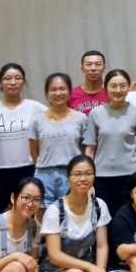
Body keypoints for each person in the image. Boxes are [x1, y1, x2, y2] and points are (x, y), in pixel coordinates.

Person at [38, 155, 111, 272]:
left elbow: (102, 245)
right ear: (68, 178)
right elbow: (54, 255)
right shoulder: (55, 210)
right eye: (77, 174)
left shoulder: (99, 206)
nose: (83, 178)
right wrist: (89, 267)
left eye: (88, 173)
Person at [0, 63, 47, 215]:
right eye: (7, 78)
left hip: (28, 169)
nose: (13, 82)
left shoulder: (36, 108)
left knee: (29, 214)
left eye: (18, 78)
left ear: (23, 82)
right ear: (0, 83)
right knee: (2, 216)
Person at [83, 69, 136, 216]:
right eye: (113, 86)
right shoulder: (95, 113)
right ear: (105, 88)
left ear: (129, 87)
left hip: (130, 175)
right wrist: (88, 177)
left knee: (127, 217)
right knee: (102, 217)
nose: (118, 90)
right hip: (101, 176)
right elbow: (89, 149)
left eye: (122, 86)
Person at [29, 73, 87, 206]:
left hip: (72, 173)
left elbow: (85, 149)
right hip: (44, 175)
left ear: (69, 92)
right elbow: (33, 151)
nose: (58, 93)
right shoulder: (37, 120)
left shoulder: (81, 118)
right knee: (43, 212)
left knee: (72, 211)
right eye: (53, 89)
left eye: (62, 89)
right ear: (46, 94)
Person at [68, 50, 108, 115]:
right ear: (82, 69)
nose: (93, 68)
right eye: (89, 64)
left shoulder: (112, 93)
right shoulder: (71, 95)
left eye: (98, 64)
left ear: (104, 68)